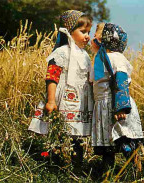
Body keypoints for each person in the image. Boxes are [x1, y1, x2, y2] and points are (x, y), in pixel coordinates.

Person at [28, 10, 93, 170]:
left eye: (89, 32)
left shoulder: (84, 55)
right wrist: (51, 100)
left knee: (77, 136)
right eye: (83, 31)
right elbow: (52, 76)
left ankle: (76, 167)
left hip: (79, 103)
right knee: (60, 132)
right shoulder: (62, 52)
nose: (87, 36)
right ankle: (55, 165)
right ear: (70, 31)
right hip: (63, 99)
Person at [90, 22, 144, 171]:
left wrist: (120, 107)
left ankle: (138, 172)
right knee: (108, 145)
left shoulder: (116, 58)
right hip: (102, 106)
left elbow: (121, 82)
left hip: (115, 105)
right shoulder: (99, 58)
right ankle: (107, 175)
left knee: (125, 141)